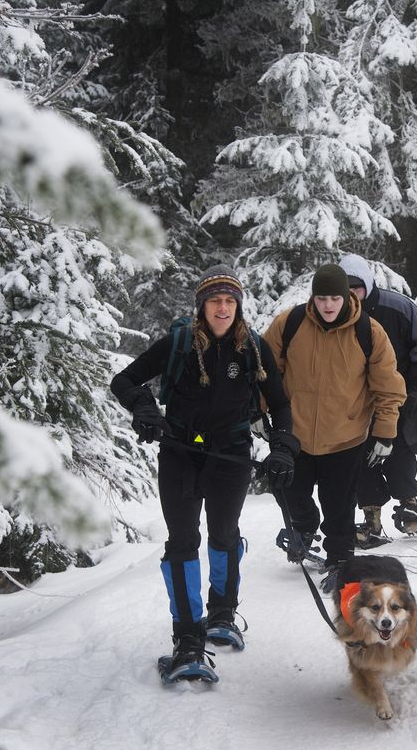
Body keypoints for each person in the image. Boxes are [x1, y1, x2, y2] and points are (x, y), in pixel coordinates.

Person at [111, 265, 298, 681]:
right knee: (182, 541)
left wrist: (284, 446)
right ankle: (188, 639)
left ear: (239, 306)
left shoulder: (252, 346)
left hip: (231, 453)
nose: (223, 307)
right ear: (201, 306)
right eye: (215, 300)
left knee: (225, 534)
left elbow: (280, 404)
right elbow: (123, 380)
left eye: (230, 300)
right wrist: (143, 409)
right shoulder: (178, 342)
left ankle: (222, 615)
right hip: (180, 452)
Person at [264, 263, 405, 592]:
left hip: (345, 437)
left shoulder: (369, 332)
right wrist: (257, 411)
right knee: (289, 492)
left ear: (346, 298)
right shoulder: (290, 323)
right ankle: (304, 526)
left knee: (339, 506)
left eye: (334, 298)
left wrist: (385, 431)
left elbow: (388, 387)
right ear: (313, 297)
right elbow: (264, 372)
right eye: (321, 297)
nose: (328, 305)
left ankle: (340, 560)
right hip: (294, 435)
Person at [338, 254, 417, 547]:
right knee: (360, 460)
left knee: (398, 452)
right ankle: (371, 518)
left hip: (399, 396)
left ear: (367, 286)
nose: (350, 295)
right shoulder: (335, 314)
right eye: (345, 290)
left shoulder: (398, 307)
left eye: (356, 288)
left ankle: (410, 504)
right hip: (354, 403)